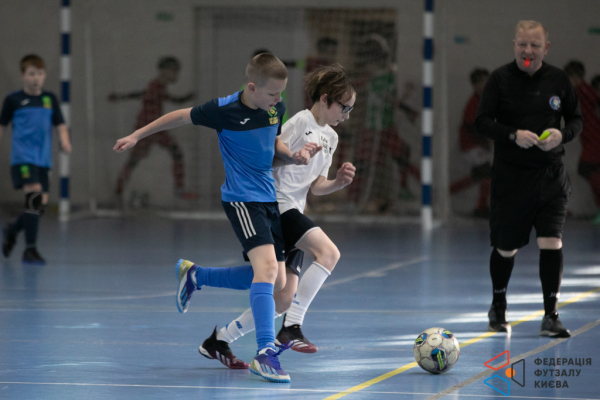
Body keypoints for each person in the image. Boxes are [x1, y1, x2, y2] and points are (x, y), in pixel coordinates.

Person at [113, 53, 321, 383]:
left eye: (281, 93)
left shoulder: (274, 109)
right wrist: (138, 134)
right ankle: (265, 352)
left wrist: (293, 156)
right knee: (268, 271)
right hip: (242, 200)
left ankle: (196, 276)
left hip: (268, 199)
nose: (278, 99)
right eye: (272, 93)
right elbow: (178, 116)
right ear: (251, 88)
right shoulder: (224, 110)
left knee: (277, 282)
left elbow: (272, 144)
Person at [195, 64, 356, 369]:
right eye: (344, 107)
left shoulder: (331, 138)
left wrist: (338, 183)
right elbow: (267, 157)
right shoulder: (299, 122)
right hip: (278, 206)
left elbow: (316, 186)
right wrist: (294, 156)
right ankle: (292, 326)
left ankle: (220, 339)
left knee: (281, 298)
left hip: (296, 207)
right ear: (325, 99)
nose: (346, 115)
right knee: (329, 253)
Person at [475, 21, 583, 338]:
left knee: (551, 241)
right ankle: (498, 306)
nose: (528, 50)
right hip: (511, 178)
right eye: (522, 44)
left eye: (535, 45)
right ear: (514, 45)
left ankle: (551, 315)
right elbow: (482, 122)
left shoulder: (559, 80)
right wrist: (513, 134)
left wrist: (561, 135)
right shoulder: (499, 79)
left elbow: (576, 120)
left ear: (545, 48)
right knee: (506, 248)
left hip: (551, 177)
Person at [1, 54, 72, 265]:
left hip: (43, 159)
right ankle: (30, 249)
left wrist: (65, 141)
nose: (36, 78)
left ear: (45, 75)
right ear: (23, 75)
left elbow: (60, 124)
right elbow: (2, 125)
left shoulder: (49, 99)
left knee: (39, 206)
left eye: (39, 74)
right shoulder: (13, 100)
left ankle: (13, 229)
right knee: (33, 196)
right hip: (23, 157)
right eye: (32, 74)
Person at [109, 57, 196, 202]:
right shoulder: (156, 86)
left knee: (174, 154)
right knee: (134, 160)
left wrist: (121, 96)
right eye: (174, 71)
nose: (176, 75)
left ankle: (118, 192)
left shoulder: (158, 86)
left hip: (155, 129)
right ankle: (117, 193)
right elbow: (150, 96)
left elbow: (147, 95)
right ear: (164, 71)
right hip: (148, 129)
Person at [450, 68, 493, 218]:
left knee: (479, 175)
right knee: (487, 171)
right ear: (475, 85)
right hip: (470, 144)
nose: (486, 84)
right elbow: (473, 127)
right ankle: (481, 207)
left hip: (479, 144)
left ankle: (447, 191)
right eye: (482, 81)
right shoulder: (473, 103)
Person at [563, 61, 600, 224]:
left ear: (576, 77)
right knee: (589, 172)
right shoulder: (577, 92)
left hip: (595, 141)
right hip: (589, 141)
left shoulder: (585, 90)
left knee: (586, 169)